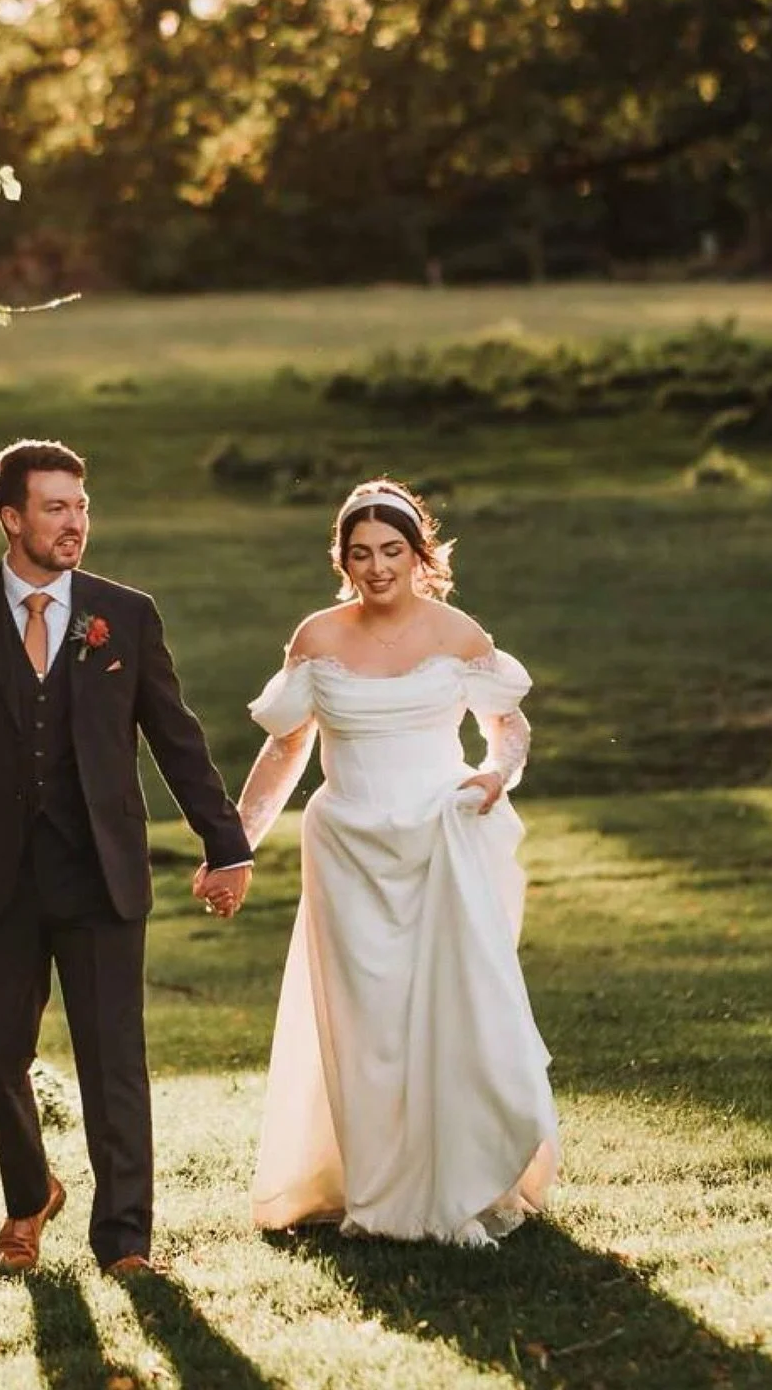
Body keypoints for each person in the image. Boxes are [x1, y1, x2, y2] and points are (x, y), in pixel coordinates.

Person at [0, 439, 253, 1275]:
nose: (75, 523)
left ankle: (125, 1241)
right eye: (55, 508)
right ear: (11, 518)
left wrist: (224, 843)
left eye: (81, 506)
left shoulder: (123, 614)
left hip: (100, 873)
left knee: (112, 1063)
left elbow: (176, 736)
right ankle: (29, 1194)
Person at [210, 477, 559, 1245]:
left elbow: (508, 728)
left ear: (418, 553)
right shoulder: (319, 638)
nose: (376, 568)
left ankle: (457, 1181)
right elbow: (284, 748)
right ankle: (373, 1189)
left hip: (438, 840)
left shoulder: (457, 632)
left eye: (392, 551)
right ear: (342, 559)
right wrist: (235, 846)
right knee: (365, 1027)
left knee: (449, 1010)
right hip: (347, 851)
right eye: (360, 553)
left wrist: (495, 775)